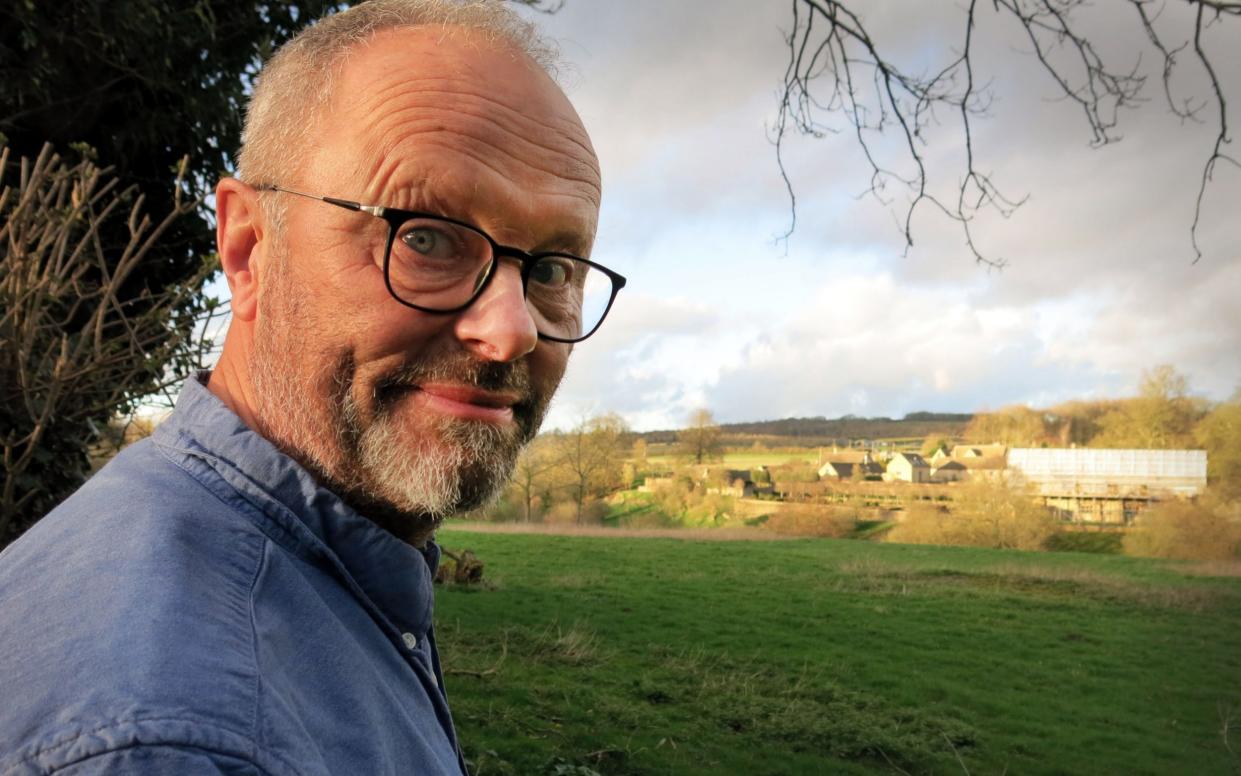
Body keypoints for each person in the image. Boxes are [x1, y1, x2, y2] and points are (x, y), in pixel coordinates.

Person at [0, 1, 624, 773]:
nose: (510, 331)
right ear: (249, 247)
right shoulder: (181, 743)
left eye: (553, 268)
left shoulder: (301, 561)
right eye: (424, 237)